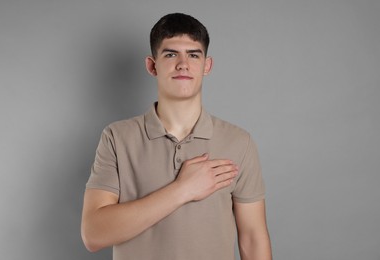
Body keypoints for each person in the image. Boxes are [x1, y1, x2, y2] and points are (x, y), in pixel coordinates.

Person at [81, 13, 272, 260]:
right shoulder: (117, 138)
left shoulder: (238, 142)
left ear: (207, 66)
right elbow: (93, 234)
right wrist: (183, 190)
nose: (183, 64)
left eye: (193, 55)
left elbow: (253, 238)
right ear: (152, 65)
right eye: (171, 54)